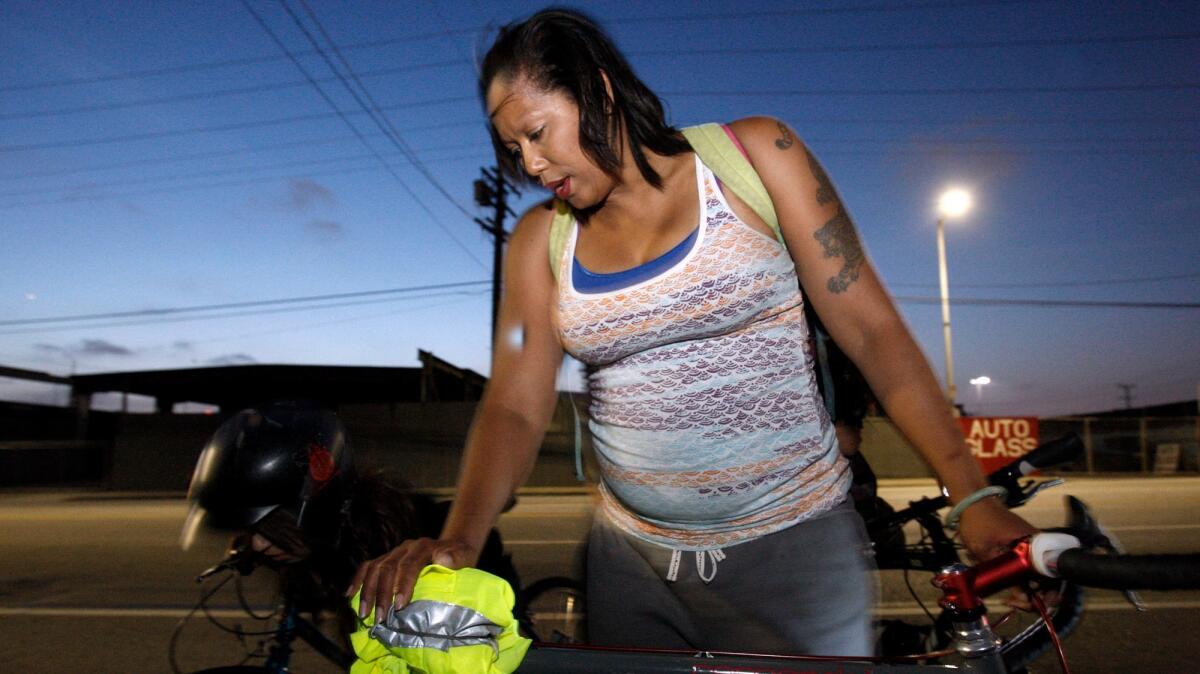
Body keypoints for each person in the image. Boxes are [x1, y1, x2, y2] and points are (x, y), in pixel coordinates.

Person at [351, 8, 1039, 656]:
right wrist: (459, 541)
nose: (529, 164)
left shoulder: (755, 158)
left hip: (794, 555)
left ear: (597, 91)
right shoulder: (539, 242)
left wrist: (970, 493)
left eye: (537, 133)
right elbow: (514, 403)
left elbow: (872, 332)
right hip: (630, 569)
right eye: (512, 147)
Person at [183, 401, 519, 636]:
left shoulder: (379, 535)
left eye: (269, 527)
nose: (259, 543)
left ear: (316, 508)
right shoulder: (316, 532)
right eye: (250, 530)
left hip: (477, 566)